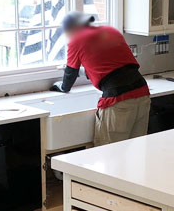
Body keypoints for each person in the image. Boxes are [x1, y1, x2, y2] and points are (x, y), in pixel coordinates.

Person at [51, 12, 151, 146]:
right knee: (136, 151)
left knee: (107, 154)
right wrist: (83, 72)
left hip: (118, 98)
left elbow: (70, 73)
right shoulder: (110, 31)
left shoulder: (76, 40)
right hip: (142, 92)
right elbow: (113, 66)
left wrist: (63, 87)